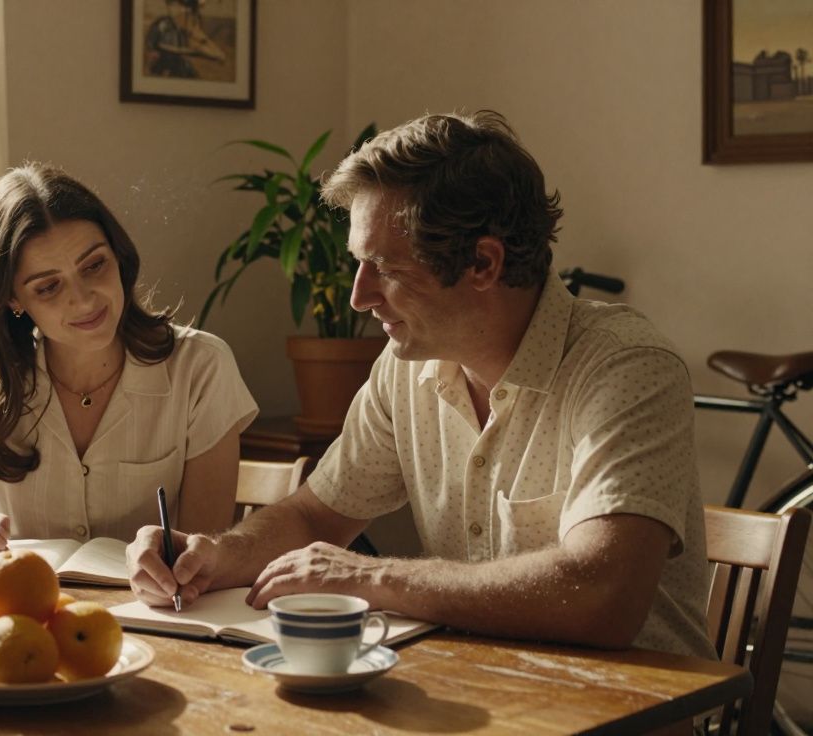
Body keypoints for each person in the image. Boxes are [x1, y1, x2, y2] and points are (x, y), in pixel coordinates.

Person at [127, 110, 713, 658]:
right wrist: (215, 554)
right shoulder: (405, 366)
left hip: (635, 704)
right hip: (485, 689)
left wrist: (374, 576)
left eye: (385, 268)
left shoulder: (627, 368)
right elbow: (315, 516)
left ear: (483, 263)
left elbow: (602, 597)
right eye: (359, 264)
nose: (359, 297)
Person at [0, 164, 258, 571]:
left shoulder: (200, 367)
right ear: (14, 300)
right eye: (49, 287)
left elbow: (199, 559)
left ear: (118, 256)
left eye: (94, 265)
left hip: (153, 606)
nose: (84, 299)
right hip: (19, 603)